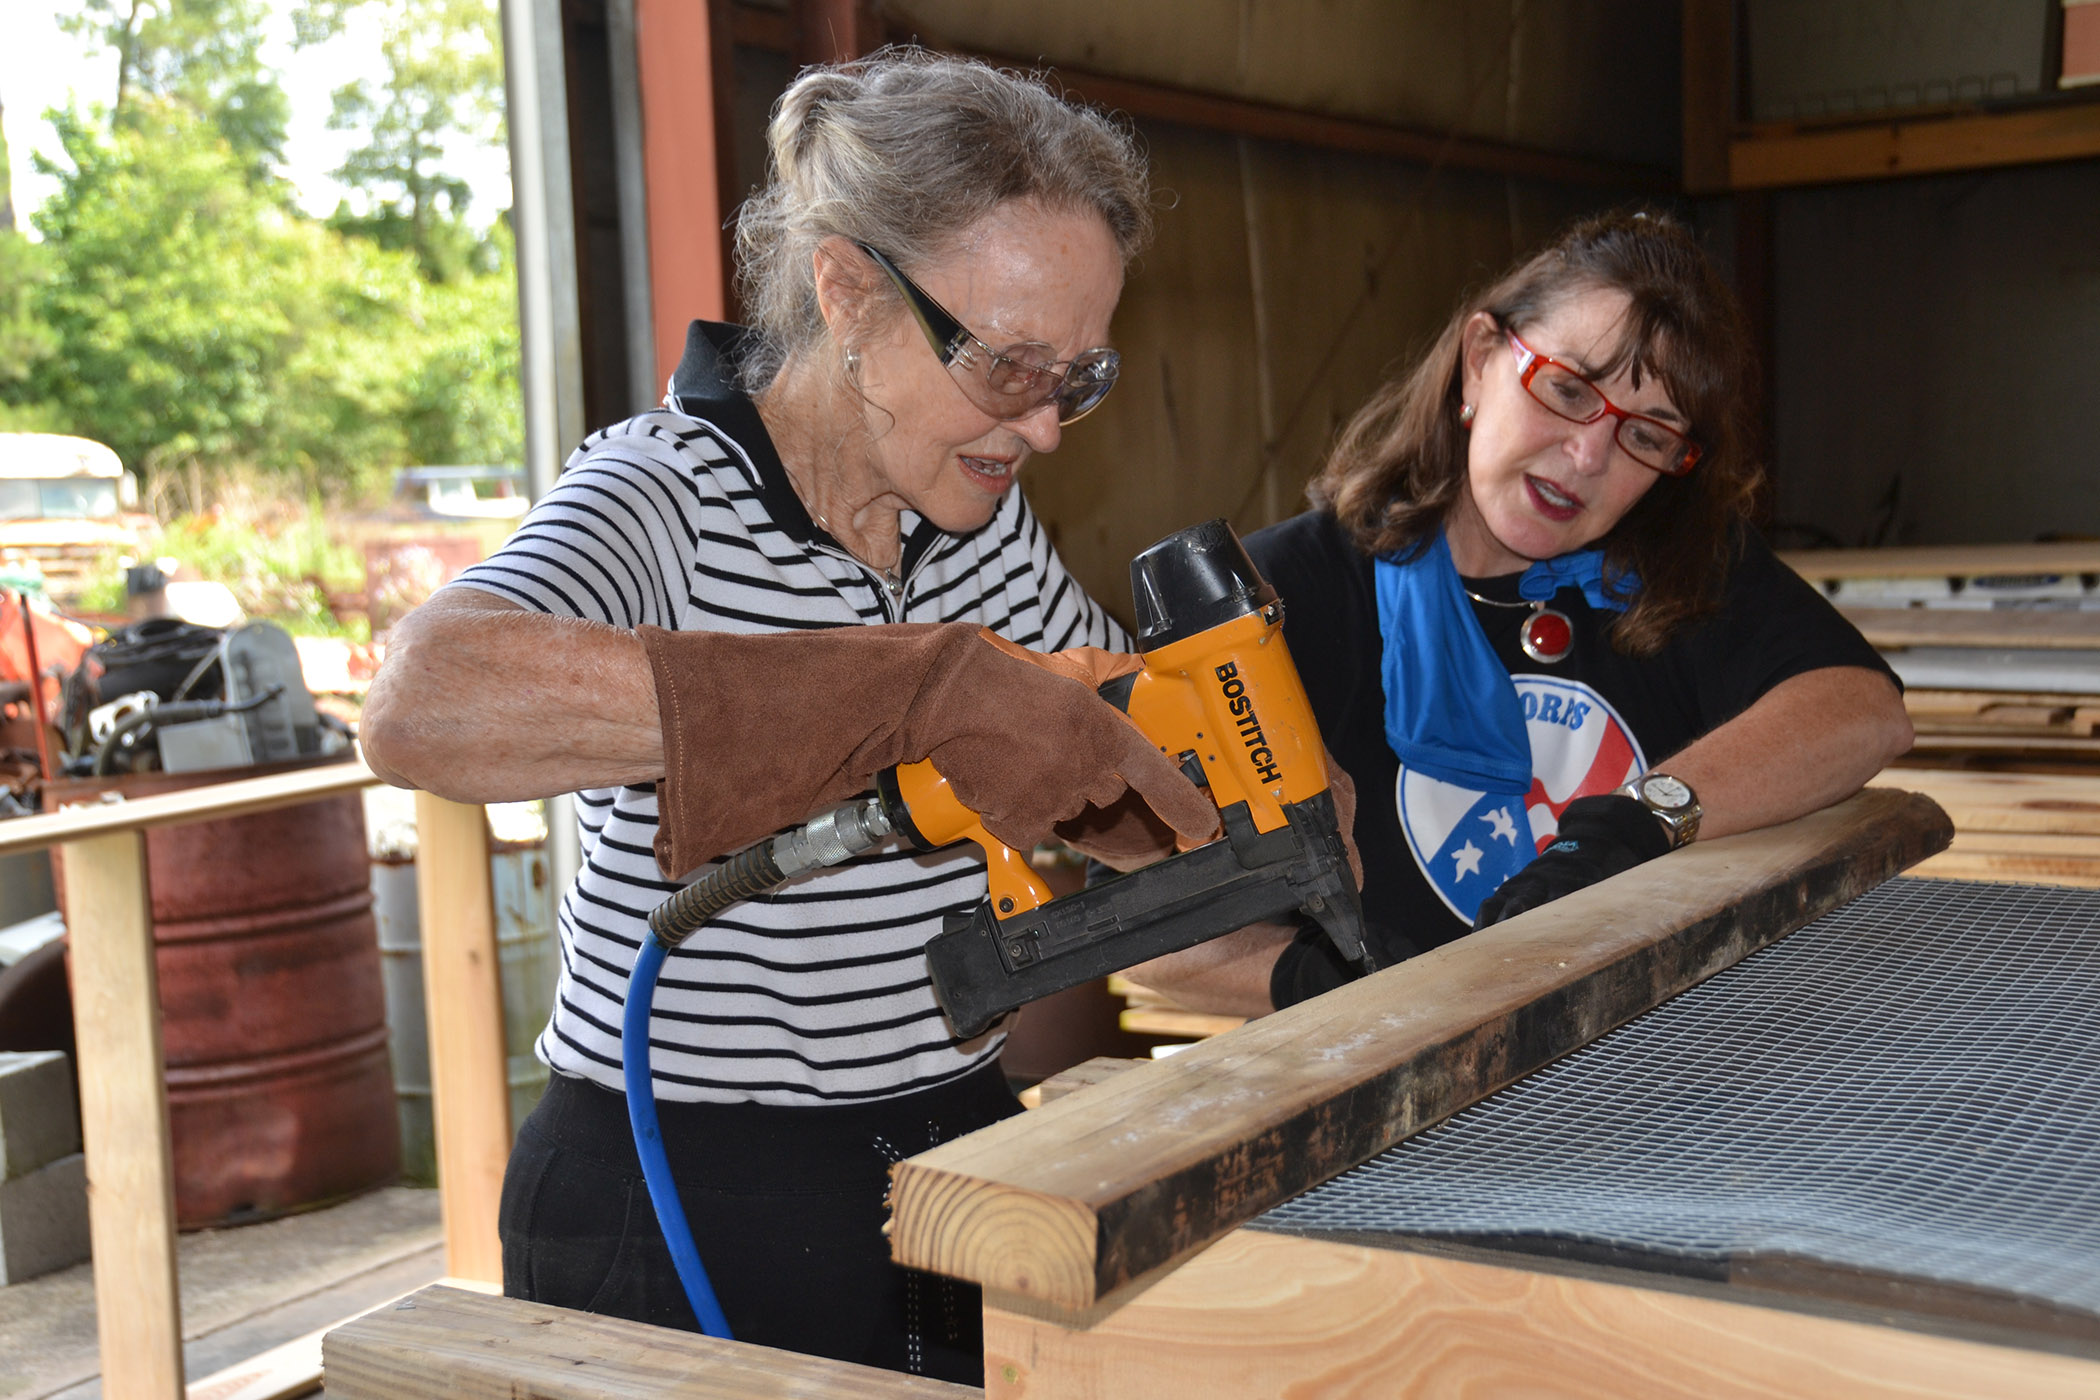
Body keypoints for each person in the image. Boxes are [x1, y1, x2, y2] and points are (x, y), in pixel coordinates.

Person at [358, 49, 1218, 1384]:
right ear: (848, 291)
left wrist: (1238, 784)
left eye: (1078, 377)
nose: (1045, 430)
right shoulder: (664, 493)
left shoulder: (976, 512)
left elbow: (1121, 782)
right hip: (685, 1179)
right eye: (1006, 365)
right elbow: (423, 701)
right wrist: (906, 689)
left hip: (949, 1146)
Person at [1128, 209, 1913, 1015]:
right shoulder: (1284, 597)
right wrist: (1318, 982)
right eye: (1567, 389)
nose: (1586, 458)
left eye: (1647, 435)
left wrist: (1645, 817)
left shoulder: (1682, 565)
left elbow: (1866, 713)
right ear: (1479, 360)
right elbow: (1146, 915)